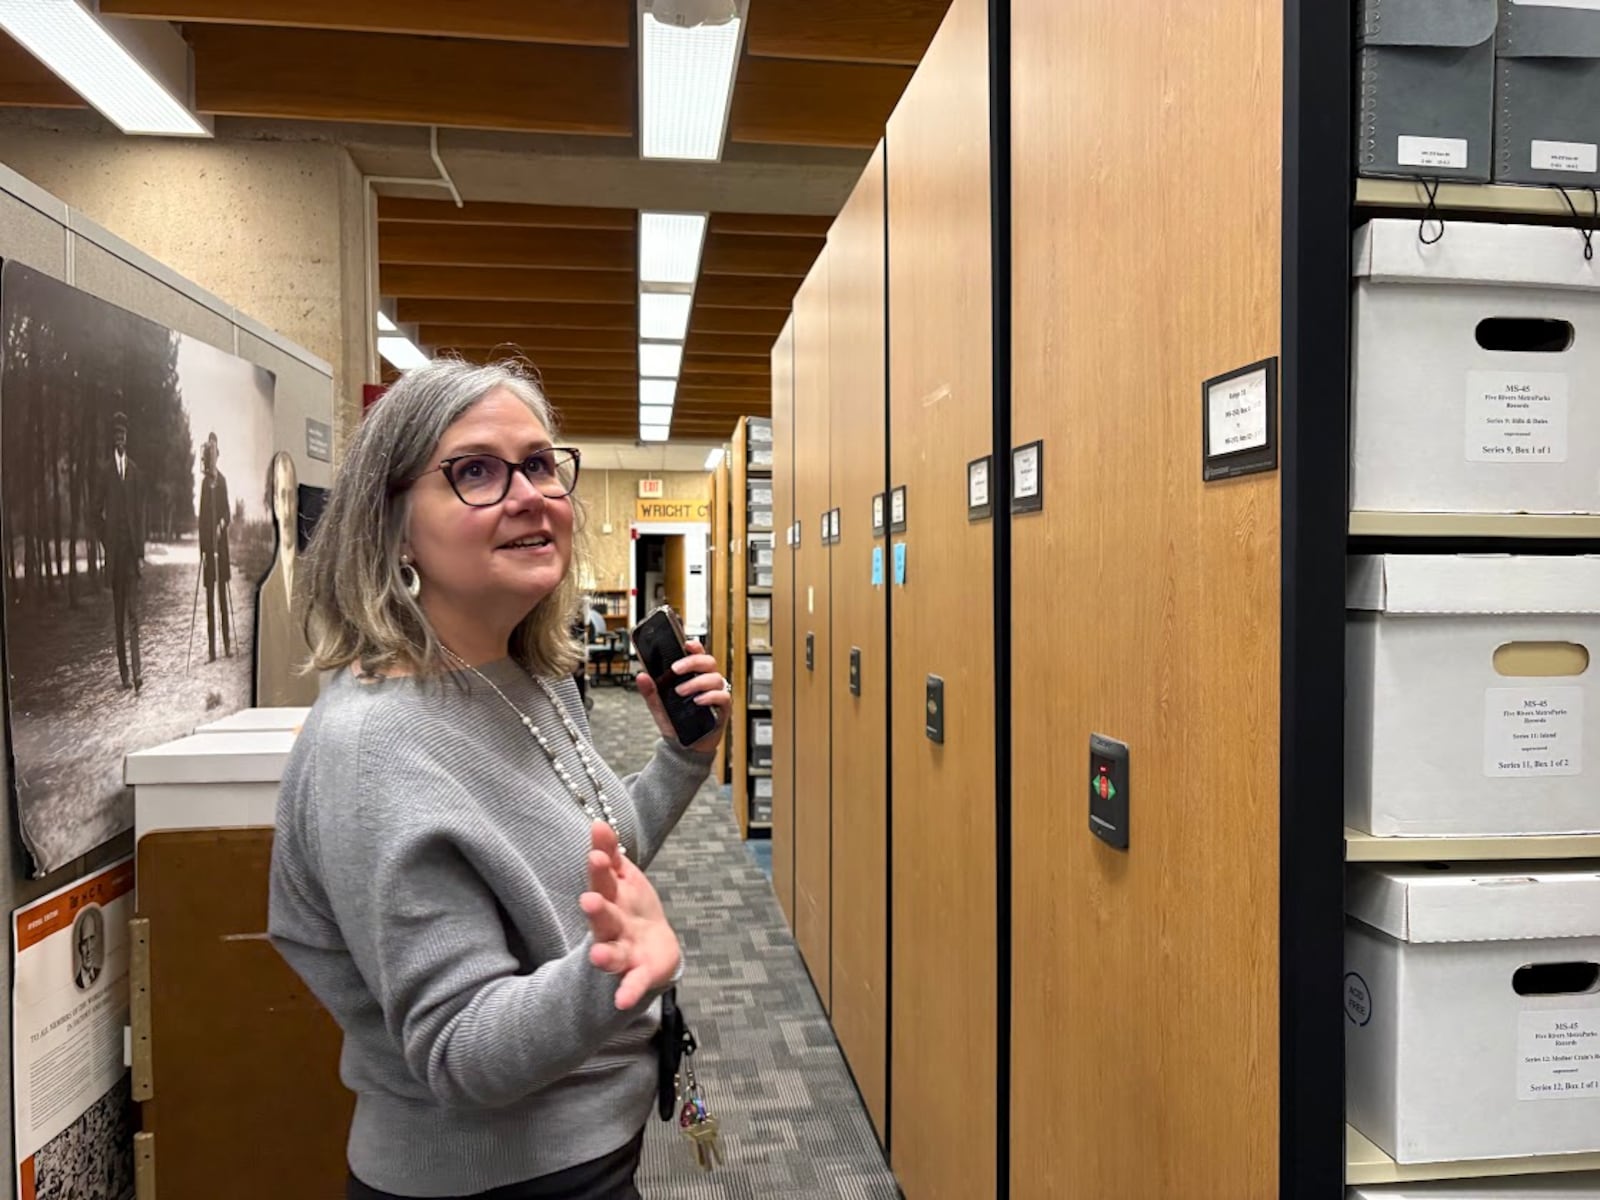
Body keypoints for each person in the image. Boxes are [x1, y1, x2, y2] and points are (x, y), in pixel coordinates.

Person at [267, 359, 732, 1200]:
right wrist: (614, 971)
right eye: (474, 471)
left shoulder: (524, 674)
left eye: (542, 464)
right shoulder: (379, 748)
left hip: (590, 1146)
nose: (529, 494)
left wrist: (681, 761)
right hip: (493, 1182)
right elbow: (460, 1047)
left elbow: (593, 866)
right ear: (393, 524)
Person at [255, 451, 319, 706]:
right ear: (273, 504)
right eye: (282, 496)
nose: (288, 505)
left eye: (292, 496)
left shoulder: (312, 581)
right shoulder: (268, 592)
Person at [94, 411, 143, 691]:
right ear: (112, 439)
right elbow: (94, 513)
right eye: (116, 435)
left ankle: (137, 674)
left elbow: (138, 514)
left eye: (123, 434)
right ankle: (124, 674)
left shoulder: (135, 472)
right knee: (119, 618)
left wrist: (141, 552)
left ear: (127, 437)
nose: (120, 439)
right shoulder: (104, 471)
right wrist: (106, 540)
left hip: (131, 559)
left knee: (134, 615)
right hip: (115, 558)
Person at [198, 433, 233, 662]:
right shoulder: (204, 484)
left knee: (222, 597)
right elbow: (201, 518)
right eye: (209, 456)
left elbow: (228, 512)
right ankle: (212, 650)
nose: (212, 459)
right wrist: (202, 549)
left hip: (222, 548)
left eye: (214, 454)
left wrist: (221, 524)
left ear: (217, 456)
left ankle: (227, 645)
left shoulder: (221, 481)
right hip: (209, 551)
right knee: (209, 598)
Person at [72, 905, 104, 991]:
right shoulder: (76, 984)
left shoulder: (101, 974)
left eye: (92, 939)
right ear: (79, 948)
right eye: (85, 942)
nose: (89, 949)